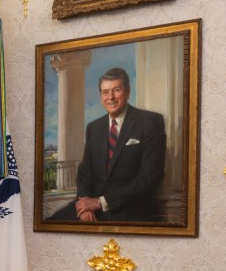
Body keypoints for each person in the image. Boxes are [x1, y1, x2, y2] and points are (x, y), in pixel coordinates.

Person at [50, 67, 166, 223]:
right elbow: (85, 172)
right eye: (105, 92)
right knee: (51, 223)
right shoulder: (94, 128)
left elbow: (149, 180)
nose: (110, 97)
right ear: (100, 96)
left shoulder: (150, 122)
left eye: (116, 90)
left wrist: (99, 202)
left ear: (128, 91)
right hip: (92, 206)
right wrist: (85, 206)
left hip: (130, 208)